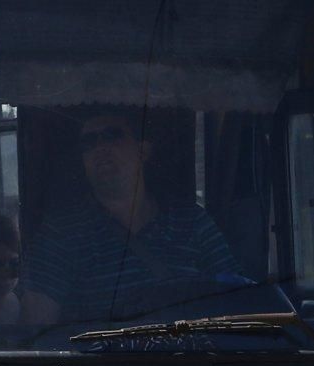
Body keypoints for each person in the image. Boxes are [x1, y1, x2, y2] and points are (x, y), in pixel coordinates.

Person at [23, 109, 240, 326]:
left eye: (111, 135)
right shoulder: (61, 235)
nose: (99, 147)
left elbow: (236, 300)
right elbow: (38, 329)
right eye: (88, 142)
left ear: (142, 150)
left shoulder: (193, 223)